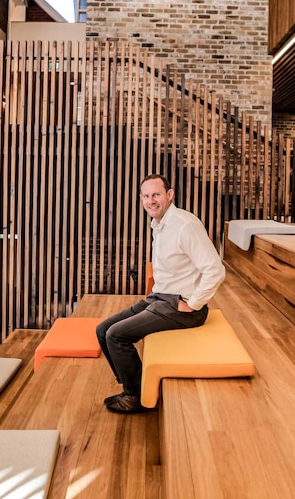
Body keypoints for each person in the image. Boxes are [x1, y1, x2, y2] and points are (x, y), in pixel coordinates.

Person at [96, 174, 225, 413]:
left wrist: (194, 303)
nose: (150, 201)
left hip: (181, 307)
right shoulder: (159, 223)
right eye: (146, 196)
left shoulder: (185, 225)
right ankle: (133, 385)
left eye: (156, 194)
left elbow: (215, 270)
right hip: (159, 298)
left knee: (117, 336)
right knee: (103, 331)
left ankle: (137, 397)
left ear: (169, 195)